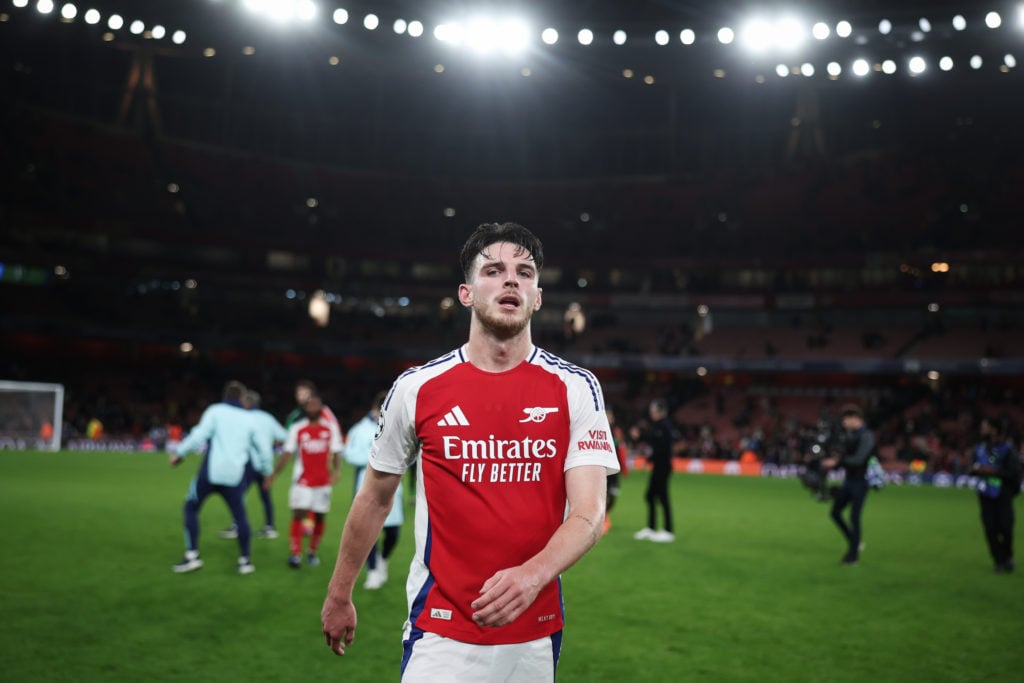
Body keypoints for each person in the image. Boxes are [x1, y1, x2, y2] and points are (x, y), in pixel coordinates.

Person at [321, 222, 620, 682]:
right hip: (439, 632)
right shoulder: (416, 389)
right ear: (466, 293)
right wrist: (340, 593)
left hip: (534, 633)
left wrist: (532, 575)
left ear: (536, 297)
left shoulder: (576, 388)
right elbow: (376, 496)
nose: (511, 280)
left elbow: (589, 510)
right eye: (494, 270)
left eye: (524, 273)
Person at [170, 380, 258, 575]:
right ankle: (245, 561)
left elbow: (199, 435)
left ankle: (192, 555)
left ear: (224, 396)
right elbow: (258, 447)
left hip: (210, 473)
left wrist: (179, 453)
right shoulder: (249, 418)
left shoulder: (215, 411)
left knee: (191, 507)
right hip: (235, 475)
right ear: (242, 398)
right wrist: (266, 469)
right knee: (240, 517)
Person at [267, 395, 343, 568]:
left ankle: (312, 551)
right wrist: (275, 474)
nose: (312, 408)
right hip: (302, 481)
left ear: (321, 408)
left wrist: (337, 471)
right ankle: (295, 554)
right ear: (305, 409)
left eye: (315, 405)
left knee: (319, 516)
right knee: (299, 514)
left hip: (323, 482)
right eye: (309, 405)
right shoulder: (297, 428)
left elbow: (337, 450)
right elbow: (287, 453)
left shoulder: (330, 428)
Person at [345, 390, 404, 590]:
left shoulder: (400, 427)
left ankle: (383, 560)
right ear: (375, 409)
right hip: (366, 486)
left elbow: (411, 457)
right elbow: (350, 455)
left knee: (393, 533)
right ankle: (372, 571)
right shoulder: (358, 430)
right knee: (368, 531)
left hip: (393, 487)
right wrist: (377, 459)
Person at [220, 390, 288, 540]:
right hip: (266, 464)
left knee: (239, 495)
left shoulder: (242, 417)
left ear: (246, 403)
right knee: (265, 496)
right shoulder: (267, 418)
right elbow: (284, 436)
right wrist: (272, 441)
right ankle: (269, 527)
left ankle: (237, 525)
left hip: (247, 463)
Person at [821, 404, 875, 566]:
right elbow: (846, 458)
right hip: (849, 481)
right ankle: (854, 541)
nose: (843, 423)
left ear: (854, 418)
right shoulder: (850, 435)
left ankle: (853, 557)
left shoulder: (866, 436)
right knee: (835, 513)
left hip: (861, 482)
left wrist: (837, 461)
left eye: (845, 420)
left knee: (854, 517)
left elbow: (858, 460)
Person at [970, 417, 1020, 573]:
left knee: (1005, 527)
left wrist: (993, 472)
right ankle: (999, 561)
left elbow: (1013, 473)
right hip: (985, 494)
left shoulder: (1007, 451)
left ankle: (1007, 556)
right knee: (990, 528)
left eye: (985, 427)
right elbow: (971, 469)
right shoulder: (979, 449)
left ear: (994, 430)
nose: (982, 429)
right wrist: (975, 470)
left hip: (1003, 494)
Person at [631, 398, 678, 543]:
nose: (651, 413)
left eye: (653, 411)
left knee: (662, 497)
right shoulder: (660, 426)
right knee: (651, 496)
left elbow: (661, 447)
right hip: (659, 466)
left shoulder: (664, 426)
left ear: (658, 411)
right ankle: (651, 528)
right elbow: (654, 441)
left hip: (662, 467)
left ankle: (668, 531)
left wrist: (649, 459)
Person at [603, 406, 629, 535]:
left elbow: (621, 450)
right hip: (603, 469)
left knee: (613, 496)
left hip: (614, 470)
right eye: (606, 416)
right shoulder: (600, 431)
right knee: (603, 495)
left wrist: (624, 468)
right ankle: (602, 518)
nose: (609, 418)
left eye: (610, 416)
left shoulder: (617, 432)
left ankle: (605, 513)